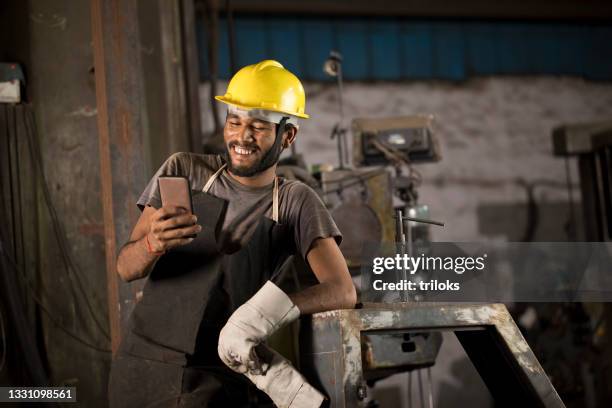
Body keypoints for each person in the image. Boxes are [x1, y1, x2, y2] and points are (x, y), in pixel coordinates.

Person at [108, 60, 356, 407]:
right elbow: (125, 268)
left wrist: (257, 320)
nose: (242, 136)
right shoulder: (184, 171)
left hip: (220, 379)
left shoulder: (294, 202)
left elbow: (342, 289)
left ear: (288, 135)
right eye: (234, 121)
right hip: (143, 367)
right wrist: (152, 244)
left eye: (258, 126)